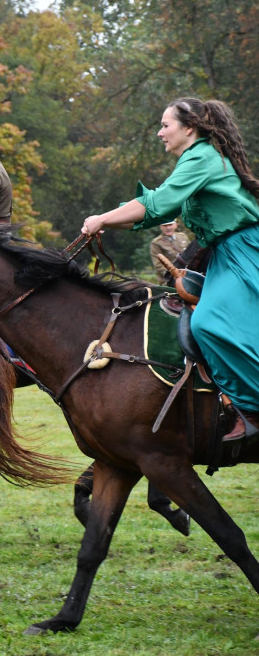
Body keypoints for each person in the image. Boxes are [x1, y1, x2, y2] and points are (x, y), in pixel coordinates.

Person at [81, 98, 259, 443]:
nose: (161, 133)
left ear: (188, 128)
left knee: (208, 322)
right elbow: (160, 207)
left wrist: (103, 218)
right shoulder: (196, 159)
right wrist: (108, 220)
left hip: (244, 250)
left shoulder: (201, 156)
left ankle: (251, 406)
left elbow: (159, 205)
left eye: (166, 125)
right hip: (224, 254)